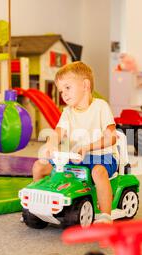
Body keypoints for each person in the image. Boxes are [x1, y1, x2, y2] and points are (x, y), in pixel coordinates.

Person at [32, 61, 118, 224]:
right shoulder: (67, 112)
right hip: (73, 158)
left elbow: (111, 137)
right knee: (39, 166)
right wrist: (51, 144)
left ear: (85, 85)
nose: (63, 94)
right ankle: (39, 206)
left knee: (98, 172)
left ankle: (106, 216)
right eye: (61, 90)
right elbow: (58, 133)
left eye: (67, 87)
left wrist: (88, 147)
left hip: (101, 157)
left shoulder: (100, 107)